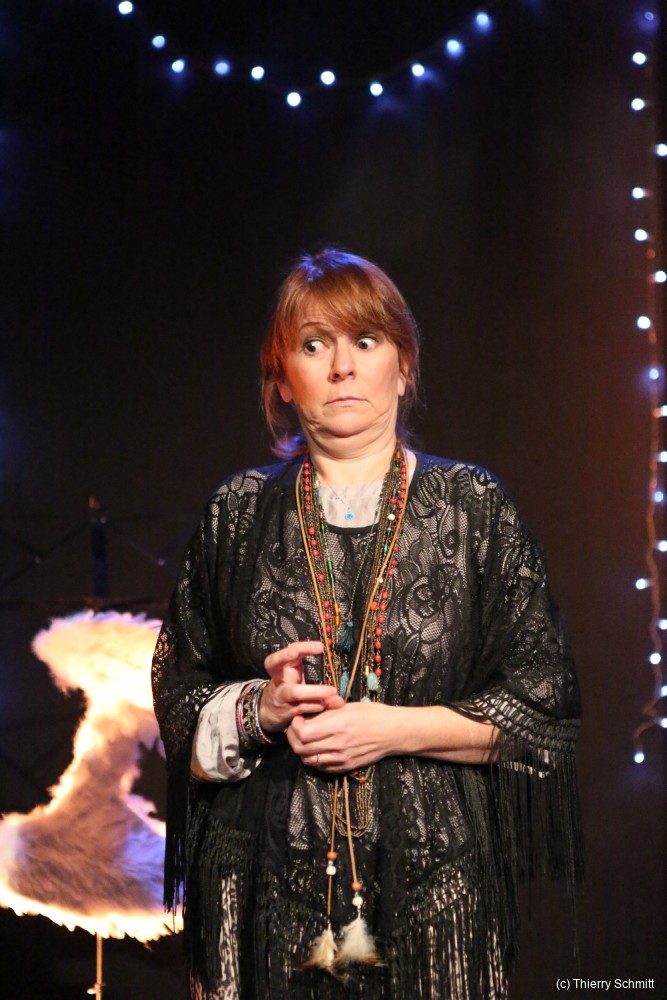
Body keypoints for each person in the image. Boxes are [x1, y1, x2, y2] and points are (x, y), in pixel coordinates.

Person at [152, 248, 583, 1000]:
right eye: (314, 345)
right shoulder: (238, 513)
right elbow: (178, 699)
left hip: (435, 895)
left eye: (366, 340)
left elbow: (544, 707)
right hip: (263, 896)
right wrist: (260, 708)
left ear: (404, 365)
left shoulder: (472, 507)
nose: (342, 366)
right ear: (282, 378)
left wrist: (393, 728)